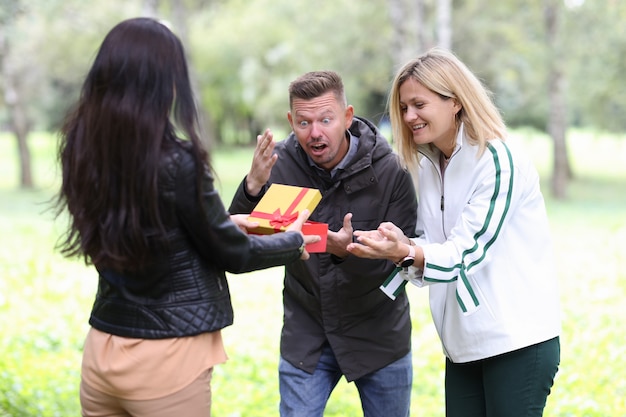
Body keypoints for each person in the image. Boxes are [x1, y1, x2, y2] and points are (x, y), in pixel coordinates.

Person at [54, 17, 319, 417]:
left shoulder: (81, 151)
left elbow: (151, 230)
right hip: (167, 359)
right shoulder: (178, 161)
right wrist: (294, 241)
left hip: (101, 350)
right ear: (164, 83)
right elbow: (234, 255)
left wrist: (228, 222)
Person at [347, 48, 561, 417]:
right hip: (462, 345)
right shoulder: (431, 163)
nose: (409, 116)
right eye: (403, 108)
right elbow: (440, 244)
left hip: (516, 341)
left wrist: (406, 252)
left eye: (419, 104)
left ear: (456, 102)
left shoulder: (497, 160)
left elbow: (467, 252)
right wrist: (400, 246)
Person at [228, 70, 418, 417]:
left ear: (347, 117)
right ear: (291, 120)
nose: (314, 133)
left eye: (325, 120)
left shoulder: (391, 169)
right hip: (308, 335)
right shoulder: (278, 165)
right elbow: (236, 248)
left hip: (378, 336)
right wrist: (252, 186)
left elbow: (407, 259)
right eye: (303, 122)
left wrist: (352, 252)